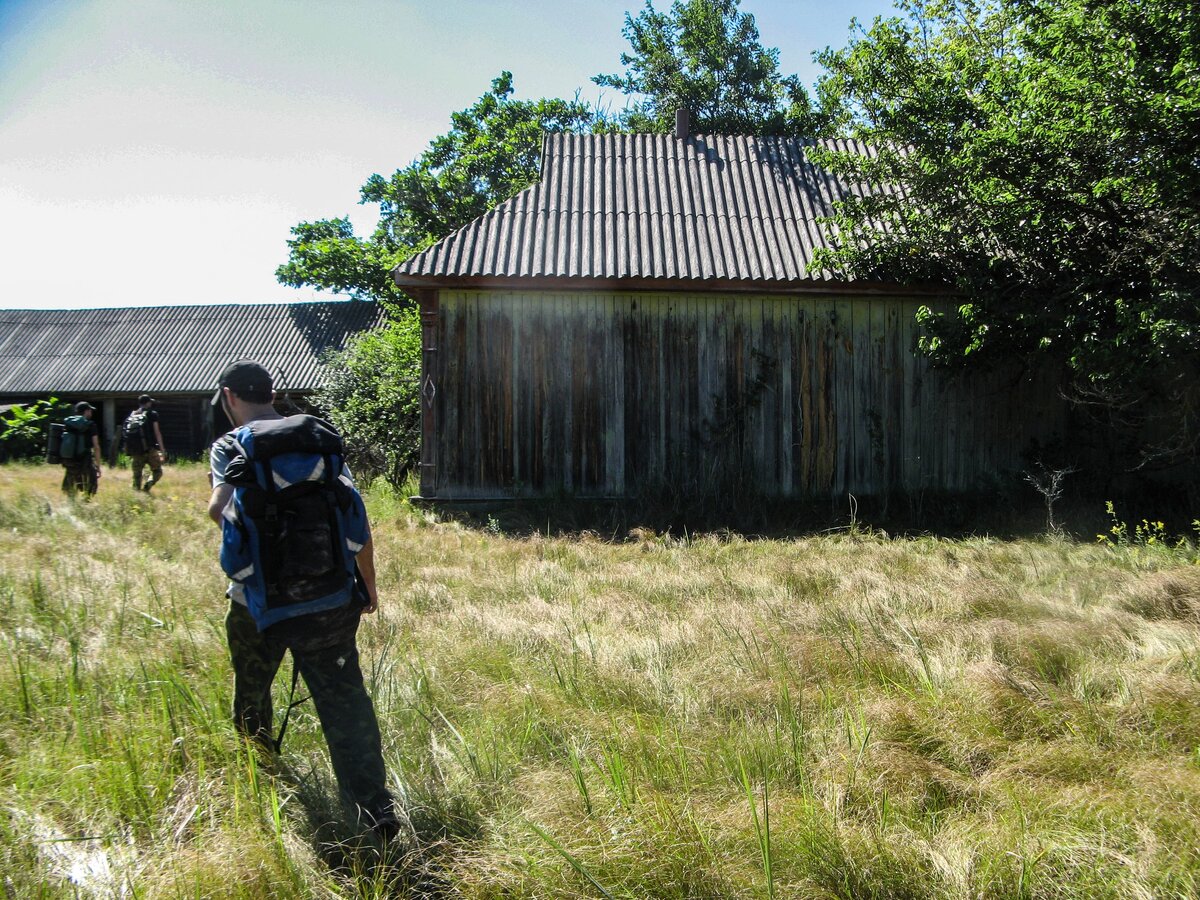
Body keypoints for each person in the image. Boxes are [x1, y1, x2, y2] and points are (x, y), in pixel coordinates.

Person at [206, 360, 397, 837]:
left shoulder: (229, 446)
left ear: (229, 396)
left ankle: (264, 790)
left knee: (252, 696)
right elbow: (357, 518)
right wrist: (367, 586)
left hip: (256, 605)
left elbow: (218, 508)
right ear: (273, 392)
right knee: (345, 703)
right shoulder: (317, 439)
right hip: (330, 601)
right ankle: (375, 810)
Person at [124, 394, 166, 492]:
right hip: (150, 450)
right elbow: (157, 432)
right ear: (148, 403)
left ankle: (137, 495)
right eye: (150, 402)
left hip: (136, 451)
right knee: (157, 472)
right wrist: (162, 449)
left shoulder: (133, 415)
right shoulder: (152, 414)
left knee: (137, 476)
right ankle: (147, 486)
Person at [62, 401, 103, 497]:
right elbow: (96, 446)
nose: (91, 413)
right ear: (87, 411)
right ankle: (86, 505)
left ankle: (70, 506)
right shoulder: (90, 425)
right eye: (90, 411)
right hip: (84, 459)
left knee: (71, 484)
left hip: (69, 459)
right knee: (91, 484)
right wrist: (98, 466)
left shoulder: (69, 424)